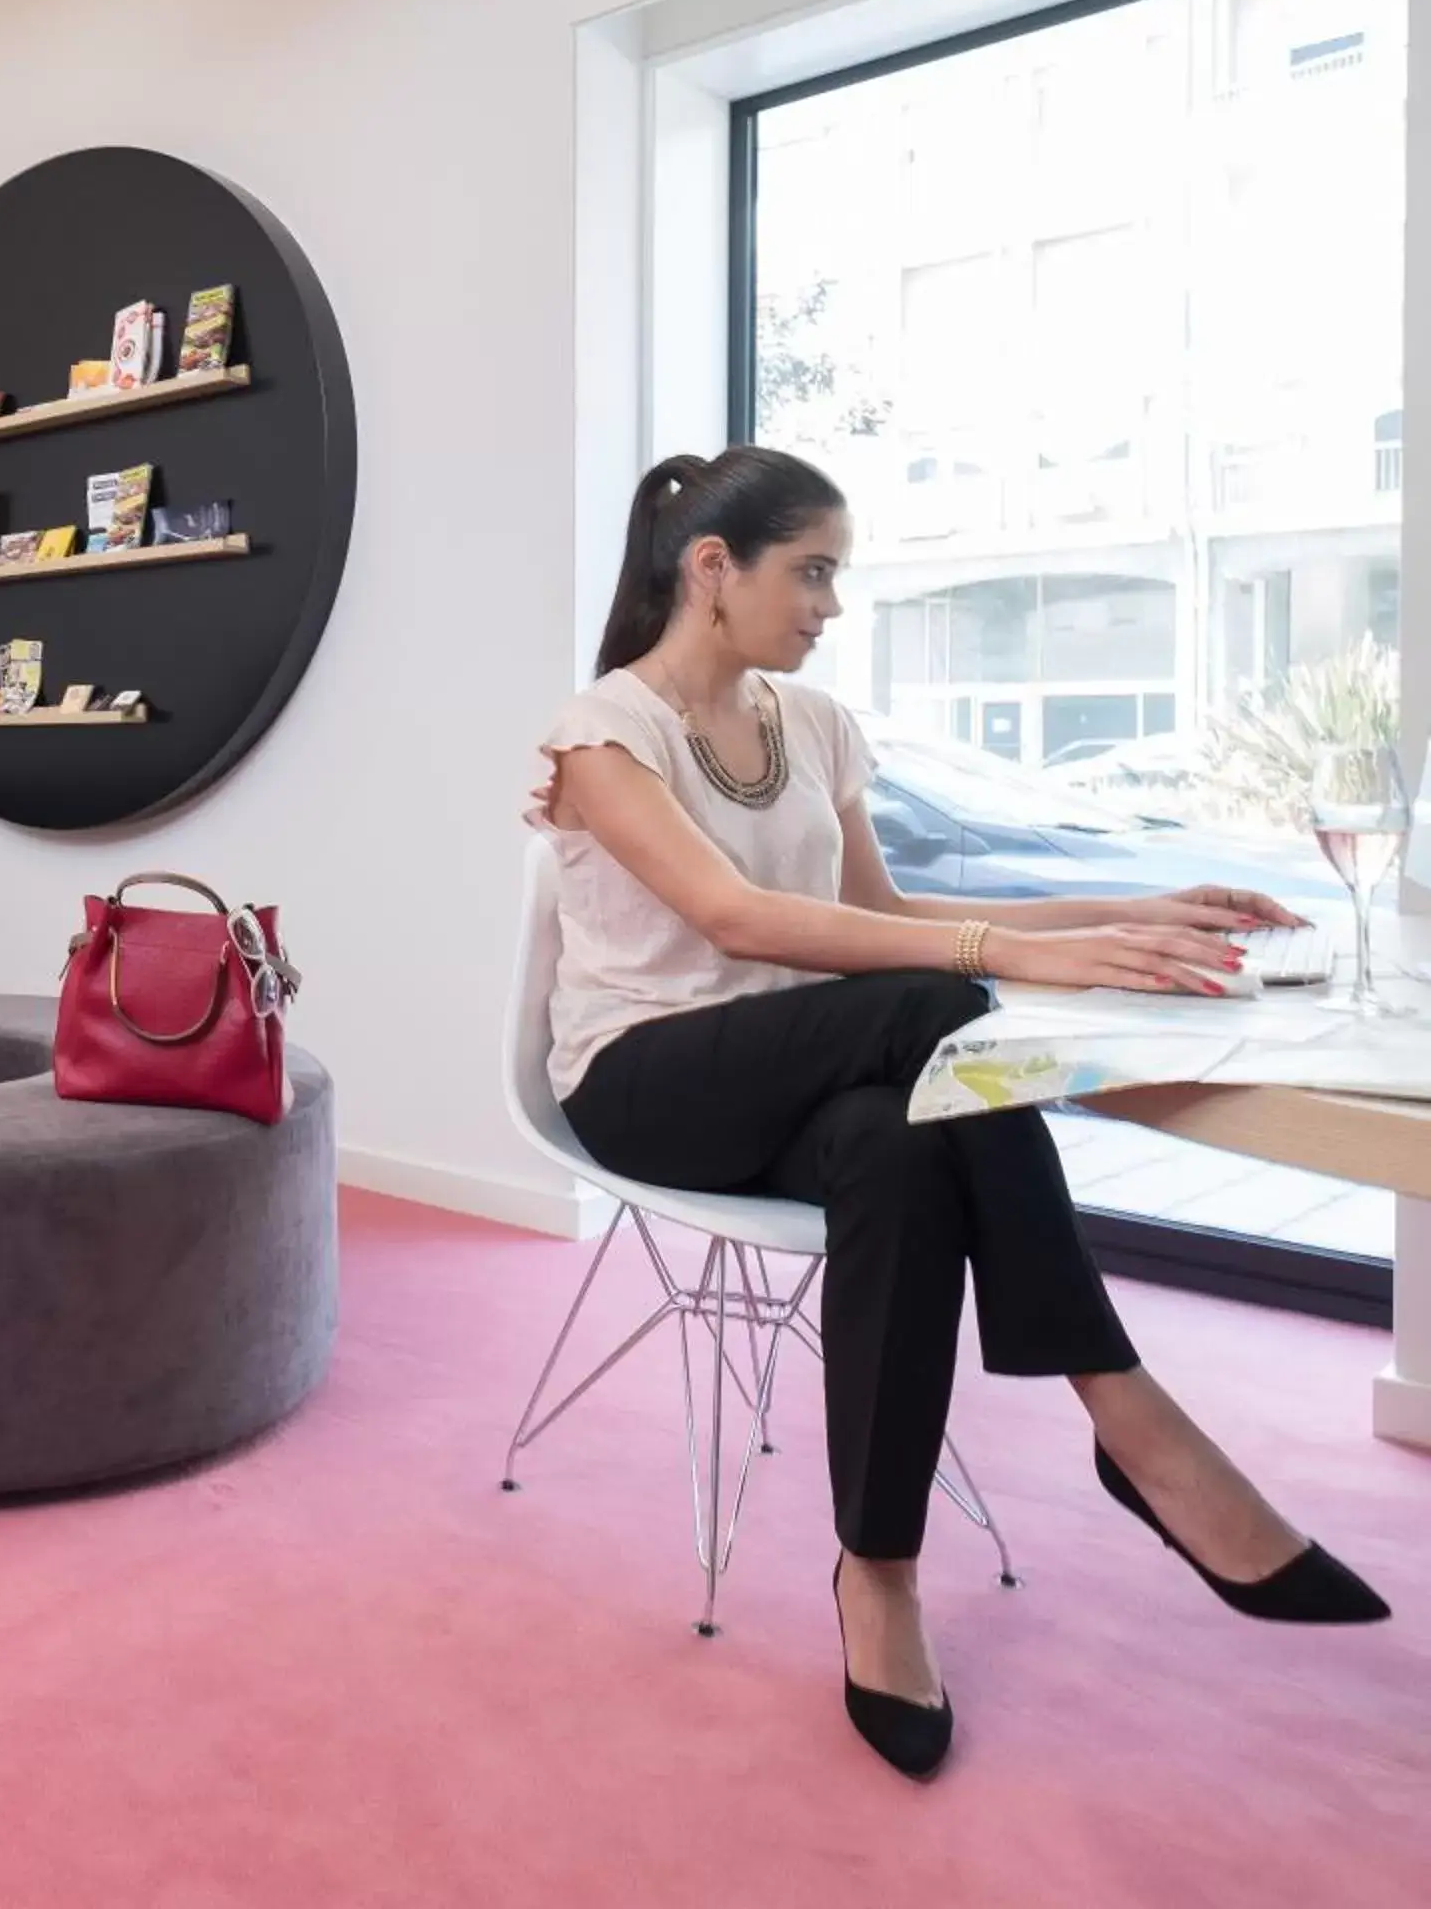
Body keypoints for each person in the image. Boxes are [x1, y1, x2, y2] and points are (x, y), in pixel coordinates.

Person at [534, 447, 1389, 1778]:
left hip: (808, 1083)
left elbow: (879, 919)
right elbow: (736, 919)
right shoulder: (605, 734)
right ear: (714, 570)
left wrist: (1124, 915)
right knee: (940, 1014)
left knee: (898, 1145)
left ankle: (876, 1574)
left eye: (838, 575)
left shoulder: (809, 727)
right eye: (811, 570)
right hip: (650, 1080)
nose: (830, 604)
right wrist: (1014, 955)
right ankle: (1128, 1413)